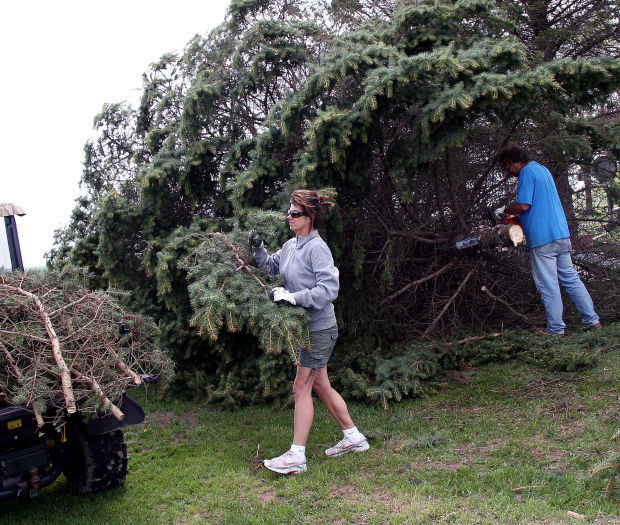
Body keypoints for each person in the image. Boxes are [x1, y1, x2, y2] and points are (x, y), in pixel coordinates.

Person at [251, 189, 369, 475]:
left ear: (310, 217)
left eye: (295, 213)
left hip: (319, 329)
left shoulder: (318, 248)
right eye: (289, 211)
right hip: (308, 329)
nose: (288, 217)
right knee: (320, 385)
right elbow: (270, 266)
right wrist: (258, 248)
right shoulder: (292, 245)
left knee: (300, 387)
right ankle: (354, 438)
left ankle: (297, 457)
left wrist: (293, 298)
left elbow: (329, 290)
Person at [499, 143, 601, 335]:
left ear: (517, 162)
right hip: (561, 234)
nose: (507, 172)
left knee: (548, 284)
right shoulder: (542, 169)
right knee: (571, 279)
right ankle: (593, 321)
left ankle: (556, 330)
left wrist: (505, 210)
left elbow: (523, 206)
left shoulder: (526, 173)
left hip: (543, 238)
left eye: (507, 167)